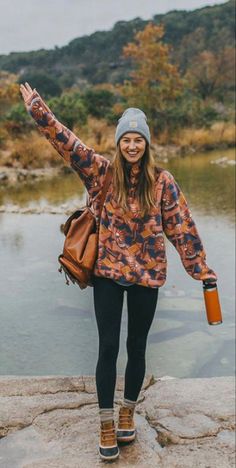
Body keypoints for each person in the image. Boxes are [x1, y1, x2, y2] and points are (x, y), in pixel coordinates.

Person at [20, 82, 217, 461]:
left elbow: (182, 228)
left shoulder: (163, 182)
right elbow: (68, 144)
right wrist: (38, 111)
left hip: (146, 277)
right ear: (119, 142)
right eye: (126, 139)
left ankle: (128, 410)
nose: (131, 146)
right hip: (107, 274)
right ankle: (107, 422)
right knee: (108, 347)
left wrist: (201, 269)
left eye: (137, 139)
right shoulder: (100, 173)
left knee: (137, 347)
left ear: (146, 144)